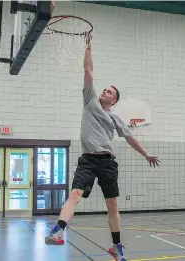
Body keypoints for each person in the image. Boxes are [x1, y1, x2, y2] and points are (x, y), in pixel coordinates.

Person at [45, 33, 160, 261]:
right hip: (88, 159)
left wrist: (146, 154)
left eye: (110, 92)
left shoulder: (116, 118)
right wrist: (88, 47)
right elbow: (88, 71)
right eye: (105, 89)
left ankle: (117, 247)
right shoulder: (90, 101)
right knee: (75, 194)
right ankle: (58, 229)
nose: (105, 91)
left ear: (114, 101)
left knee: (112, 204)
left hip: (107, 162)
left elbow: (129, 139)